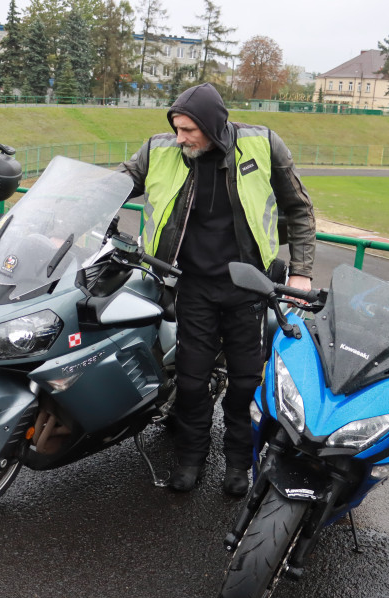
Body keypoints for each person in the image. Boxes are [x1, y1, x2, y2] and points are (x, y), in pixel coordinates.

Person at [118, 83, 316, 495]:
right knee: (192, 382)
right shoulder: (159, 151)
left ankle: (238, 464)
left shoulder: (262, 145)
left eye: (188, 129)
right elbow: (115, 186)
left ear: (211, 124)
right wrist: (71, 210)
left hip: (248, 288)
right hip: (191, 286)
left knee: (245, 383)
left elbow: (299, 209)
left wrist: (301, 272)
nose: (180, 138)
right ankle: (191, 458)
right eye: (176, 128)